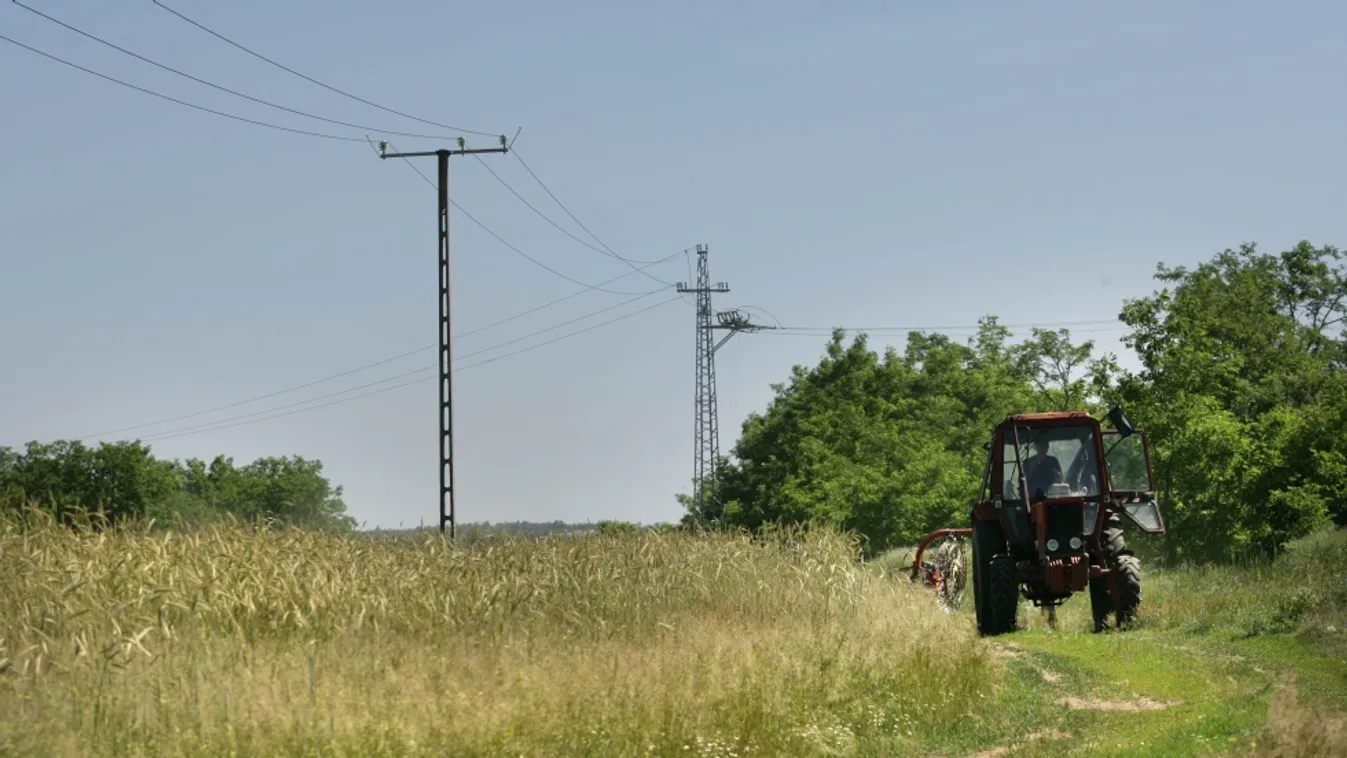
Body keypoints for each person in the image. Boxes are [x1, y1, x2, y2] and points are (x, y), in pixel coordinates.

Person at [1024, 435, 1063, 501]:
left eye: (1045, 445)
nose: (1044, 447)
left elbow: (1060, 479)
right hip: (1032, 497)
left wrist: (1057, 474)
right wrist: (1033, 468)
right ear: (1036, 446)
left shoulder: (1053, 461)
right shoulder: (1028, 462)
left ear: (1048, 447)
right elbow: (1024, 481)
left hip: (1051, 496)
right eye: (1041, 445)